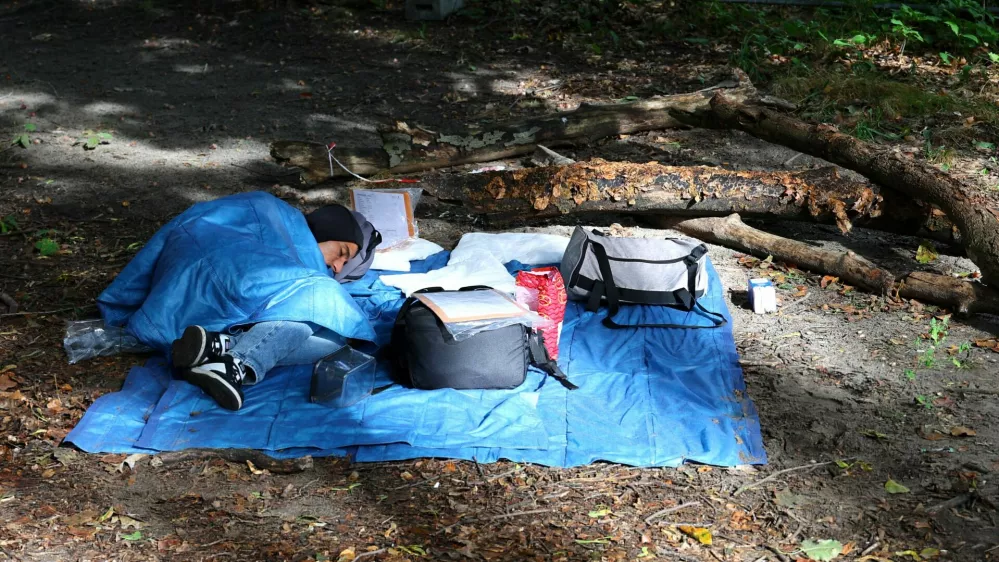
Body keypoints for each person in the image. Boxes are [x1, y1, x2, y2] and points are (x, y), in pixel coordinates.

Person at [168, 203, 381, 411]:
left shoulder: (315, 266)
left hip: (260, 314)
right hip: (222, 283)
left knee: (334, 344)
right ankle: (237, 362)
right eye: (342, 252)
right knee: (310, 306)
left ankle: (220, 346)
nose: (338, 266)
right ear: (325, 231)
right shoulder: (280, 231)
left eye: (345, 263)